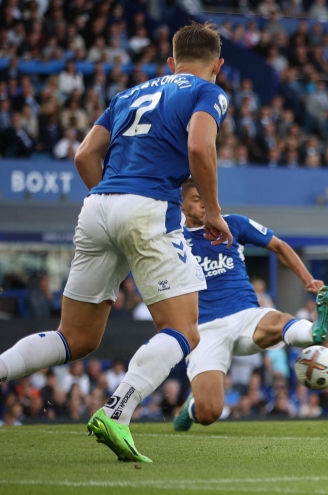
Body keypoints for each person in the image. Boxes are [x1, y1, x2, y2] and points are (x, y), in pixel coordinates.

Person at [0, 22, 234, 463]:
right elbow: (200, 148)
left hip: (98, 204)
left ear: (170, 61)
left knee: (76, 337)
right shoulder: (208, 91)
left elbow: (84, 154)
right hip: (148, 206)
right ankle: (117, 411)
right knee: (183, 330)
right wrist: (215, 211)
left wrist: (111, 202)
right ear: (217, 65)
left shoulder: (128, 94)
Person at [172, 178, 328, 431]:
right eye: (196, 199)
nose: (204, 204)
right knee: (209, 412)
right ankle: (192, 407)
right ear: (181, 204)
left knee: (279, 320)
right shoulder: (173, 239)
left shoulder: (234, 223)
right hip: (204, 329)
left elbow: (279, 247)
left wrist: (309, 280)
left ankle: (313, 331)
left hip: (246, 315)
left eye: (208, 198)